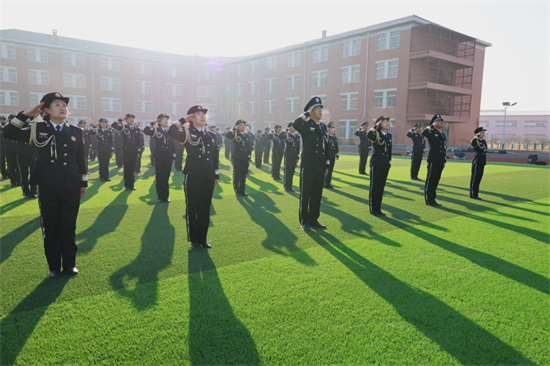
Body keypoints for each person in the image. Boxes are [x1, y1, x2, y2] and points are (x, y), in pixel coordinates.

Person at [3, 92, 87, 278]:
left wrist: (83, 184)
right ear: (46, 110)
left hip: (71, 185)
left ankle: (70, 264)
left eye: (64, 105)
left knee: (68, 226)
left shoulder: (75, 131)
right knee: (50, 226)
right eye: (57, 105)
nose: (62, 107)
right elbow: (8, 132)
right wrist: (27, 114)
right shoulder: (37, 128)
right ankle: (54, 267)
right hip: (48, 184)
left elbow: (81, 160)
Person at [168, 105, 219, 250]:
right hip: (193, 174)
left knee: (205, 208)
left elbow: (215, 157)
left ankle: (203, 238)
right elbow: (171, 130)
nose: (202, 116)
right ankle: (194, 240)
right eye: (198, 114)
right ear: (192, 118)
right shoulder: (186, 132)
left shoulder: (212, 136)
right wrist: (184, 119)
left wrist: (216, 176)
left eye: (204, 114)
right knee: (193, 208)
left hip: (208, 176)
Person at [292, 96, 330, 231]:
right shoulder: (306, 125)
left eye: (321, 108)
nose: (320, 111)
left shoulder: (324, 127)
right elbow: (295, 124)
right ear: (311, 111)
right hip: (308, 165)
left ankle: (314, 219)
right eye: (317, 108)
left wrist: (326, 165)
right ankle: (304, 221)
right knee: (306, 194)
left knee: (317, 194)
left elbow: (326, 147)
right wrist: (305, 114)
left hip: (320, 166)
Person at [144, 113, 175, 203]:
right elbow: (145, 131)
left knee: (166, 177)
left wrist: (174, 156)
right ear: (159, 121)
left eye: (166, 119)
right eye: (163, 119)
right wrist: (153, 122)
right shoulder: (155, 130)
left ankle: (165, 196)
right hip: (159, 156)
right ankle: (160, 196)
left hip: (168, 156)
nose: (166, 120)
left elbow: (173, 145)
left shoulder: (170, 131)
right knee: (159, 177)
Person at [367, 116, 393, 216]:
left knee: (381, 187)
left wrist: (389, 162)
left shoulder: (389, 136)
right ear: (379, 124)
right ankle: (373, 209)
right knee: (375, 187)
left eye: (388, 121)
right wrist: (375, 126)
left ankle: (378, 208)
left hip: (385, 163)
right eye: (385, 121)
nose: (387, 123)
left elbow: (389, 150)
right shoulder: (376, 134)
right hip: (376, 163)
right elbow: (369, 134)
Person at [111, 113, 143, 190]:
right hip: (126, 150)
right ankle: (127, 185)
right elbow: (113, 125)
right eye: (129, 118)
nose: (131, 119)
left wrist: (139, 152)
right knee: (126, 168)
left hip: (134, 151)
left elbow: (139, 141)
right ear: (126, 120)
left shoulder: (137, 129)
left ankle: (131, 185)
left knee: (132, 168)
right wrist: (121, 119)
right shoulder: (123, 127)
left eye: (132, 118)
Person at [422, 114, 447, 207]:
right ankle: (429, 199)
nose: (441, 122)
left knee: (436, 180)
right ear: (434, 123)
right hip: (433, 159)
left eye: (442, 120)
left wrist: (444, 160)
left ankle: (433, 199)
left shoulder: (443, 134)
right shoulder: (431, 132)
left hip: (440, 160)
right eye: (439, 121)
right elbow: (424, 133)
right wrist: (431, 126)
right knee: (430, 180)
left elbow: (444, 148)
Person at [226, 120, 250, 196]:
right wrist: (234, 129)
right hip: (237, 157)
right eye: (241, 125)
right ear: (238, 126)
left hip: (244, 157)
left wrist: (249, 156)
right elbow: (228, 135)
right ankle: (237, 190)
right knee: (237, 174)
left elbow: (248, 146)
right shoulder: (235, 134)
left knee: (243, 174)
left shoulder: (246, 135)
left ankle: (242, 190)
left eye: (244, 125)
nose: (243, 126)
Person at [16, 125, 38, 198]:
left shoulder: (34, 133)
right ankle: (26, 191)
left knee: (34, 174)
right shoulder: (19, 134)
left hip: (32, 155)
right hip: (22, 155)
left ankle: (33, 192)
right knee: (24, 174)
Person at [280, 122, 301, 192]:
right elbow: (281, 135)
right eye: (293, 126)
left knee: (292, 171)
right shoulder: (287, 135)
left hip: (294, 156)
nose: (294, 128)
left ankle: (290, 186)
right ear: (290, 127)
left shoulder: (297, 136)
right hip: (288, 155)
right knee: (287, 171)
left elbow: (298, 147)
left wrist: (298, 156)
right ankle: (286, 186)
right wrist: (286, 130)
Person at [470, 127, 488, 200]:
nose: (483, 134)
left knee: (479, 179)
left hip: (482, 161)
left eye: (483, 132)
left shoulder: (483, 141)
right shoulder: (475, 140)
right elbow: (473, 144)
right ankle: (472, 194)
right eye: (481, 132)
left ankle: (476, 194)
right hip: (477, 161)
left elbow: (485, 149)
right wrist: (476, 136)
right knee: (475, 178)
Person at [5, 114, 20, 187]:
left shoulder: (19, 127)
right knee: (11, 165)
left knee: (18, 166)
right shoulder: (7, 127)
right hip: (9, 148)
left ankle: (19, 181)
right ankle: (13, 182)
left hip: (17, 148)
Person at [325, 122, 339, 189]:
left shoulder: (334, 137)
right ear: (328, 129)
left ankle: (328, 183)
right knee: (326, 169)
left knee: (330, 169)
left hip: (332, 155)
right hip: (327, 155)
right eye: (332, 128)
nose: (333, 130)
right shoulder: (326, 136)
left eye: (334, 128)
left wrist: (337, 153)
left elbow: (336, 146)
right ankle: (324, 182)